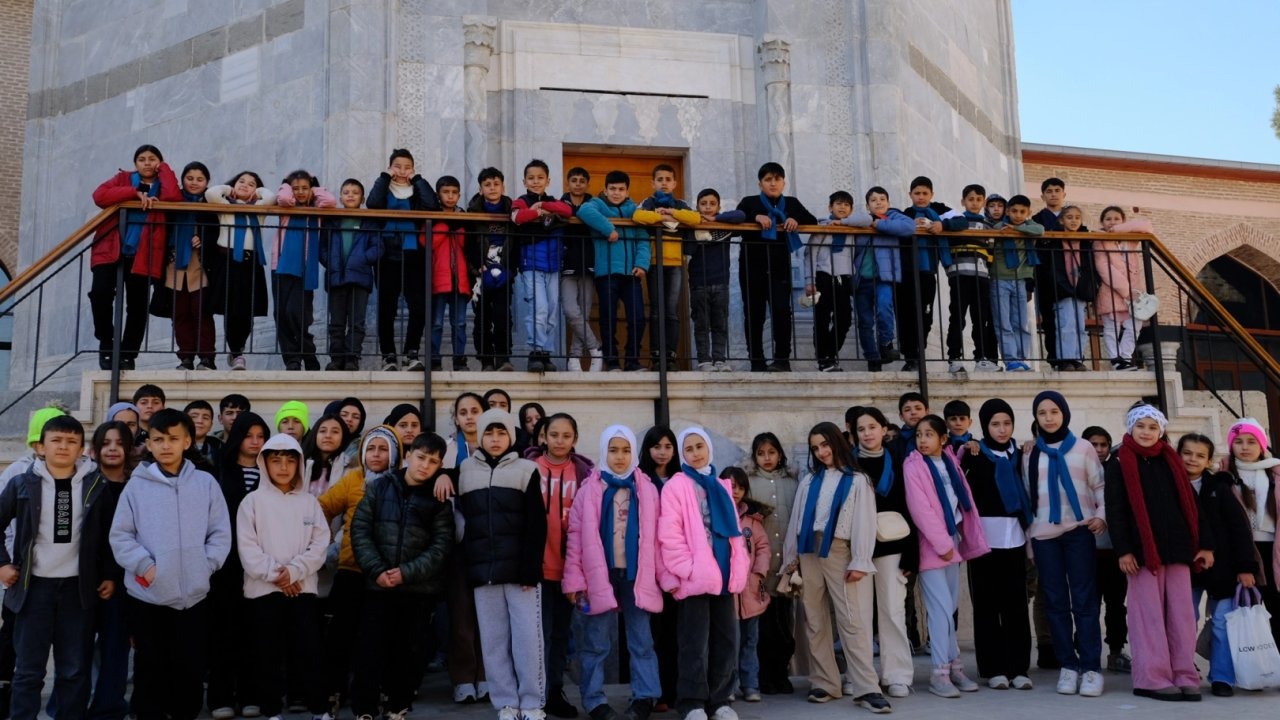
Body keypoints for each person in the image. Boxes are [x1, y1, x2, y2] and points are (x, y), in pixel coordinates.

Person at [109, 409, 232, 720]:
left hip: (194, 594)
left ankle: (184, 712)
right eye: (158, 439)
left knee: (189, 664)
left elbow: (220, 532)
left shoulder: (205, 483)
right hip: (148, 595)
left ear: (187, 441)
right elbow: (121, 536)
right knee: (150, 663)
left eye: (173, 439)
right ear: (148, 444)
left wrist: (206, 565)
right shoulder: (136, 486)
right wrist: (145, 567)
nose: (166, 445)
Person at [0, 414, 115, 720]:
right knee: (28, 670)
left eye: (71, 442)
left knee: (73, 670)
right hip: (33, 589)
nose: (63, 447)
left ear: (82, 449)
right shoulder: (22, 483)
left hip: (77, 592)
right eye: (56, 440)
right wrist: (3, 564)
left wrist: (108, 575)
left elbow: (110, 535)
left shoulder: (96, 486)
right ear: (41, 446)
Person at [1105, 405, 1210, 701]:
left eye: (1153, 427)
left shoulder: (1172, 461)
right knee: (1147, 616)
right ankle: (1151, 677)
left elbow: (1192, 504)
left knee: (1182, 616)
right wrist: (1124, 550)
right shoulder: (1119, 462)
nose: (1147, 432)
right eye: (1141, 426)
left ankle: (1183, 673)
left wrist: (1204, 543)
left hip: (1177, 549)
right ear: (1130, 429)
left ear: (1161, 431)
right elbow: (1116, 509)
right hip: (1141, 554)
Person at [780, 422, 886, 711]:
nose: (821, 452)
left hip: (839, 549)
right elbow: (797, 522)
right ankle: (825, 682)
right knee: (814, 619)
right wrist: (791, 558)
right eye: (816, 447)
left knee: (851, 620)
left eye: (825, 444)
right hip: (808, 551)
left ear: (837, 442)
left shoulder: (857, 480)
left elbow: (864, 521)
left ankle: (866, 687)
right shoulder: (808, 481)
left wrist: (861, 559)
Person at [349, 433, 455, 720]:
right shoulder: (380, 487)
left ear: (439, 466)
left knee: (409, 651)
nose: (425, 466)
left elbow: (441, 546)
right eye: (421, 457)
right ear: (408, 455)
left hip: (417, 589)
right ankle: (365, 708)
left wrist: (405, 574)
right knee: (370, 648)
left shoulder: (438, 499)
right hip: (377, 585)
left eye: (433, 462)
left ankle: (398, 706)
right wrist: (378, 570)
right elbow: (360, 530)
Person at [562, 425, 663, 720]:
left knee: (641, 640)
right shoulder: (590, 489)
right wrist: (575, 580)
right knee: (595, 642)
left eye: (626, 450)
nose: (620, 457)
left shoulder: (646, 489)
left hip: (636, 576)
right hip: (599, 576)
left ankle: (644, 697)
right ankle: (594, 700)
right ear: (604, 452)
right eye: (613, 450)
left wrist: (661, 575)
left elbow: (658, 536)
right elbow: (576, 538)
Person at [457, 410, 548, 720]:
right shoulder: (466, 470)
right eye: (489, 433)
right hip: (484, 572)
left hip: (520, 573)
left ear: (511, 435)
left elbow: (537, 524)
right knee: (493, 642)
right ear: (480, 436)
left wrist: (531, 567)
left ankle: (533, 703)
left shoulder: (526, 469)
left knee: (527, 640)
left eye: (501, 433)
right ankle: (505, 703)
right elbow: (462, 519)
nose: (495, 439)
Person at [235, 433, 331, 720]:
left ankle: (320, 709)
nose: (283, 467)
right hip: (263, 592)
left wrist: (294, 572)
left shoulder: (309, 503)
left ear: (299, 464)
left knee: (309, 652)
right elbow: (247, 548)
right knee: (267, 655)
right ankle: (272, 711)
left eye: (290, 460)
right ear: (264, 463)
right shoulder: (251, 502)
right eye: (276, 460)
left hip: (303, 590)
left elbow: (320, 544)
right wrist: (279, 575)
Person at [657, 428, 748, 720]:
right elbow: (670, 535)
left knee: (726, 640)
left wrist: (738, 566)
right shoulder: (676, 485)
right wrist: (688, 570)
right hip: (695, 578)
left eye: (699, 446)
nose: (695, 453)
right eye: (689, 449)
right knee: (694, 642)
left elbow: (734, 533)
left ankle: (720, 699)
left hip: (723, 575)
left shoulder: (721, 486)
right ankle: (692, 701)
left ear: (708, 448)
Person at [1022, 391, 1107, 697]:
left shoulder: (1083, 448)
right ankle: (1068, 667)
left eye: (1054, 411)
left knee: (1084, 602)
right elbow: (1028, 496)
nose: (1049, 417)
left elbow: (1099, 484)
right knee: (1055, 604)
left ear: (1065, 413)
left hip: (1079, 532)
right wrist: (1031, 540)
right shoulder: (1031, 453)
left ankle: (1091, 668)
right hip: (1045, 537)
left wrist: (1101, 515)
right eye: (1042, 413)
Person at [903, 415, 989, 698]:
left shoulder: (950, 460)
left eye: (929, 434)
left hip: (952, 541)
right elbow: (921, 510)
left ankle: (954, 667)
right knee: (940, 611)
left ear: (943, 439)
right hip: (933, 545)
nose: (922, 440)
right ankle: (939, 673)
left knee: (949, 608)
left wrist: (953, 542)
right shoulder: (913, 465)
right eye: (919, 435)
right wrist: (942, 544)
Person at [317, 425, 401, 709]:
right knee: (340, 635)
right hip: (351, 568)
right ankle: (333, 690)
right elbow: (322, 507)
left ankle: (370, 692)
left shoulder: (401, 482)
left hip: (384, 574)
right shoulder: (353, 479)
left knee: (376, 637)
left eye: (383, 449)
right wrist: (325, 542)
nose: (376, 455)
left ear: (395, 453)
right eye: (371, 448)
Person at [958, 399, 1034, 690]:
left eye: (1006, 423)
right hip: (983, 541)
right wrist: (968, 446)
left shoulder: (1022, 452)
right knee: (987, 605)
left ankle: (1019, 668)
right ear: (985, 426)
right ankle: (993, 668)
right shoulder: (974, 454)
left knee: (1015, 604)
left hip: (1014, 538)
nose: (1002, 430)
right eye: (995, 424)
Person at [525, 413, 594, 718]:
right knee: (536, 633)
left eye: (566, 435)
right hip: (535, 567)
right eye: (554, 434)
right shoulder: (529, 468)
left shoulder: (584, 473)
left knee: (559, 635)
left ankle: (554, 691)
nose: (560, 441)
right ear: (543, 437)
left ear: (575, 439)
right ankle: (533, 693)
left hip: (568, 569)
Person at [90, 145, 182, 370]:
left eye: (153, 159)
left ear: (159, 163)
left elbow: (173, 197)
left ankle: (128, 353)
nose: (147, 163)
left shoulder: (163, 184)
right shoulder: (123, 178)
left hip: (144, 253)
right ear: (135, 163)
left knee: (137, 305)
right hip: (111, 248)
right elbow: (99, 196)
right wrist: (134, 193)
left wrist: (166, 170)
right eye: (142, 159)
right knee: (100, 294)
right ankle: (107, 342)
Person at [1180, 432, 1257, 697]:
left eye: (1200, 455)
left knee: (1223, 623)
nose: (1192, 459)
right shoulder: (1171, 486)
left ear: (1209, 460)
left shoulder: (1220, 488)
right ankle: (1184, 670)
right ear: (1178, 455)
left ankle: (1222, 676)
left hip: (1223, 569)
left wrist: (1246, 567)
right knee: (1185, 620)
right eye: (1187, 453)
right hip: (1186, 569)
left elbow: (1239, 529)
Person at [848, 406, 916, 697]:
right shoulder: (846, 467)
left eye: (872, 427)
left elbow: (911, 507)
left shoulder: (899, 461)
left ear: (884, 429)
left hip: (892, 546)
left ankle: (897, 675)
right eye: (861, 429)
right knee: (858, 616)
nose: (867, 434)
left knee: (892, 610)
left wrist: (912, 554)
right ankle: (861, 676)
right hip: (857, 549)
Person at [209, 412, 270, 720]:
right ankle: (220, 696)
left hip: (262, 564)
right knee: (224, 631)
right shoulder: (219, 472)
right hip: (227, 565)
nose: (256, 442)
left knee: (255, 633)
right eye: (249, 436)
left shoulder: (272, 472)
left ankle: (252, 695)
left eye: (261, 436)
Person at [735, 163, 817, 372]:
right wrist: (754, 217)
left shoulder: (791, 203)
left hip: (779, 268)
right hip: (752, 267)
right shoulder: (749, 202)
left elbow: (812, 220)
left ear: (783, 182)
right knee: (754, 314)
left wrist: (793, 218)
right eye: (768, 180)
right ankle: (757, 361)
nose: (773, 183)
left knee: (782, 311)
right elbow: (736, 219)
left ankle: (782, 359)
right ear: (760, 183)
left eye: (777, 179)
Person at [437, 393, 488, 703]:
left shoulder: (497, 445)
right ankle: (463, 678)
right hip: (457, 542)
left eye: (475, 411)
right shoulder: (447, 450)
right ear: (455, 418)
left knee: (489, 615)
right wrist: (443, 472)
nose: (469, 417)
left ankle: (486, 675)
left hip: (490, 542)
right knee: (461, 614)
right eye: (463, 412)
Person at [367, 149, 439, 371]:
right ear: (390, 167)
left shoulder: (416, 190)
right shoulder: (384, 187)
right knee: (386, 308)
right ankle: (388, 355)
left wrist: (417, 179)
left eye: (407, 167)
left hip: (413, 254)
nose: (402, 171)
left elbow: (432, 205)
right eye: (397, 166)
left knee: (418, 306)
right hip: (386, 254)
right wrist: (384, 177)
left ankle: (411, 353)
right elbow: (372, 203)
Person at [577, 171, 650, 372]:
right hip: (606, 272)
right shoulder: (597, 204)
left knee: (637, 317)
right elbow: (584, 211)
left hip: (631, 273)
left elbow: (643, 238)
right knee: (607, 318)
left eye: (621, 189)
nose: (616, 193)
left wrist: (642, 263)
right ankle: (612, 362)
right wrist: (609, 229)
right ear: (605, 189)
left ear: (627, 191)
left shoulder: (634, 210)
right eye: (612, 189)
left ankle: (632, 361)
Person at [86, 421, 135, 720]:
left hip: (123, 581)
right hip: (82, 580)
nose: (113, 448)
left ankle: (109, 708)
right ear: (95, 449)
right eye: (106, 443)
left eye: (119, 443)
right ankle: (69, 706)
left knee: (116, 649)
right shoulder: (84, 484)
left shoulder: (137, 486)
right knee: (76, 651)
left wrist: (113, 576)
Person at [743, 432, 797, 694]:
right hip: (760, 569)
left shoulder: (792, 482)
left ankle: (781, 673)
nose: (767, 458)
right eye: (761, 453)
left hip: (786, 568)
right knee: (763, 625)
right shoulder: (749, 483)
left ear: (780, 454)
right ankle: (763, 676)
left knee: (784, 624)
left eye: (772, 452)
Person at [206, 171, 276, 371]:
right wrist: (229, 189)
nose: (245, 185)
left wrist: (259, 192)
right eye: (241, 181)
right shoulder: (226, 206)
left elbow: (270, 197)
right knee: (231, 308)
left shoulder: (259, 209)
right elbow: (211, 193)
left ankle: (239, 345)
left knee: (247, 311)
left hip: (250, 262)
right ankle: (237, 353)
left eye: (251, 184)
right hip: (227, 261)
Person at [634, 164, 700, 371]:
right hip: (654, 262)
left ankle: (670, 356)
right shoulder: (648, 202)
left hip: (676, 264)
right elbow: (638, 217)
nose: (664, 183)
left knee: (670, 311)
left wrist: (672, 211)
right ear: (653, 182)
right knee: (656, 310)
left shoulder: (680, 204)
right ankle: (656, 356)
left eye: (668, 179)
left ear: (675, 183)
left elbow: (696, 218)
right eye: (660, 179)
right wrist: (662, 217)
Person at [1220, 417, 1280, 644]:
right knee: (1245, 608)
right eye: (1239, 441)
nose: (1245, 447)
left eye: (1251, 441)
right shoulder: (1224, 477)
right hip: (1242, 551)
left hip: (1273, 549)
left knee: (1276, 608)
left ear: (1262, 445)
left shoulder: (1275, 474)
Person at [155, 160, 219, 370]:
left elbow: (217, 231)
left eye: (200, 179)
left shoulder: (211, 202)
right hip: (174, 262)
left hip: (200, 263)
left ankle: (207, 357)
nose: (194, 183)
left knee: (201, 311)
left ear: (207, 182)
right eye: (189, 178)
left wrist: (202, 238)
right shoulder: (173, 200)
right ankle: (186, 357)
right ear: (182, 180)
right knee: (180, 312)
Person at [511, 159, 573, 372]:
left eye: (540, 178)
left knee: (552, 311)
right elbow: (518, 217)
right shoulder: (521, 200)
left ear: (548, 180)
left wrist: (544, 205)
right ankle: (535, 352)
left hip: (553, 265)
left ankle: (546, 352)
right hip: (531, 264)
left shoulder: (554, 201)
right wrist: (537, 212)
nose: (535, 182)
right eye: (531, 178)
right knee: (539, 308)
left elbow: (567, 211)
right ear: (524, 181)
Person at [272, 170, 336, 371]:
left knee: (297, 312)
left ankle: (307, 352)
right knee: (281, 314)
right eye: (296, 188)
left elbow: (331, 201)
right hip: (280, 265)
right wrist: (285, 184)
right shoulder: (287, 208)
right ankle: (292, 359)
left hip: (305, 268)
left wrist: (314, 187)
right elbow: (283, 198)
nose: (300, 192)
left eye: (305, 188)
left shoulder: (316, 208)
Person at [803, 191, 872, 372]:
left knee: (844, 319)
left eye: (846, 205)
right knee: (822, 319)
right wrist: (810, 281)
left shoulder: (850, 227)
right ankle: (824, 359)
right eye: (838, 204)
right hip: (823, 277)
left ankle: (830, 354)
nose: (842, 207)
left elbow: (867, 220)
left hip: (844, 279)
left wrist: (842, 223)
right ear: (830, 207)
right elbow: (810, 255)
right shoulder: (822, 228)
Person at [320, 178, 383, 371]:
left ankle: (352, 357)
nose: (350, 195)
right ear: (339, 197)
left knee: (357, 322)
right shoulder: (332, 220)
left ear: (362, 198)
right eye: (346, 192)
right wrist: (331, 261)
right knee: (337, 322)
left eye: (355, 192)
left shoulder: (369, 221)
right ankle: (336, 358)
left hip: (360, 277)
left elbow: (378, 247)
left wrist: (362, 259)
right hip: (336, 277)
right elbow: (322, 247)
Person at [637, 426, 680, 709]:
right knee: (649, 634)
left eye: (668, 446)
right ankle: (652, 692)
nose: (662, 452)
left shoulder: (682, 480)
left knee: (675, 632)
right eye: (656, 446)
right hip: (648, 567)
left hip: (676, 567)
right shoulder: (639, 480)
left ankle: (673, 691)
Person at [1081, 426, 1128, 673]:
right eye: (1094, 444)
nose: (1099, 449)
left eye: (1103, 444)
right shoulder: (1077, 470)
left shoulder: (1117, 470)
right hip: (1086, 551)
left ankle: (1116, 651)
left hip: (1113, 550)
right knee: (1087, 604)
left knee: (1116, 604)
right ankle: (1086, 655)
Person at [939, 184, 1000, 374]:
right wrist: (949, 267)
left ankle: (981, 357)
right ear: (963, 201)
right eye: (970, 199)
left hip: (981, 277)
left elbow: (990, 252)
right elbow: (945, 245)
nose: (974, 203)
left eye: (978, 200)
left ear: (983, 203)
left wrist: (986, 270)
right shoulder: (957, 222)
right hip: (959, 276)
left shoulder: (988, 226)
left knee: (980, 318)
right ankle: (954, 358)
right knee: (957, 317)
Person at [722, 468, 770, 704]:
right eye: (731, 486)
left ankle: (750, 684)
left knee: (750, 641)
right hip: (729, 593)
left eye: (740, 486)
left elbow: (762, 547)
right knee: (730, 643)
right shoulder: (717, 515)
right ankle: (728, 686)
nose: (736, 491)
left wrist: (758, 571)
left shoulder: (753, 521)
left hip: (751, 592)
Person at [852, 188, 914, 371]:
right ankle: (872, 358)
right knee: (865, 320)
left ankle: (886, 343)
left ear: (888, 202)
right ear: (867, 205)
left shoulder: (892, 217)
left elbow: (909, 227)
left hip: (883, 277)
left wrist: (878, 225)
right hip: (861, 278)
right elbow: (843, 222)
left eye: (882, 199)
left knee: (884, 307)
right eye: (873, 200)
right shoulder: (862, 220)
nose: (878, 202)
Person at [896, 177, 952, 373]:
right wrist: (911, 224)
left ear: (931, 195)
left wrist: (941, 225)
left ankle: (920, 352)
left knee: (925, 315)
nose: (921, 197)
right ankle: (910, 356)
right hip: (906, 272)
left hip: (927, 272)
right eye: (917, 193)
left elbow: (961, 219)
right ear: (910, 195)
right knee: (906, 315)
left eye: (924, 193)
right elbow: (893, 225)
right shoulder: (905, 214)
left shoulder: (940, 210)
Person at [687, 189, 743, 371]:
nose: (708, 207)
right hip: (698, 283)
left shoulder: (724, 225)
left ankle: (720, 359)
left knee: (720, 323)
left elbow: (740, 215)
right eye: (703, 204)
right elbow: (687, 249)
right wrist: (697, 225)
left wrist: (715, 220)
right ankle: (704, 360)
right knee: (701, 323)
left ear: (719, 207)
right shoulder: (691, 226)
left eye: (712, 204)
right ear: (697, 206)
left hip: (721, 283)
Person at [467, 167, 517, 372]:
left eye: (496, 184)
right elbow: (467, 243)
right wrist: (474, 266)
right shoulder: (473, 213)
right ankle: (486, 360)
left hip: (504, 272)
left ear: (503, 187)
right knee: (482, 318)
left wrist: (511, 268)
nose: (492, 188)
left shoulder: (513, 211)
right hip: (481, 273)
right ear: (480, 189)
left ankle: (503, 358)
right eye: (487, 185)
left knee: (503, 315)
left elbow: (517, 243)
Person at [1034, 202, 1092, 372]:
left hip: (1079, 289)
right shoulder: (1054, 240)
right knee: (1066, 325)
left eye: (1077, 217)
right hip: (1063, 289)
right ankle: (1065, 359)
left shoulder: (1085, 240)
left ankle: (1077, 357)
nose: (1073, 221)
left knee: (1080, 327)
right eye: (1069, 217)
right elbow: (1053, 267)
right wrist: (1062, 285)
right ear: (1061, 221)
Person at [1095, 207, 1154, 371]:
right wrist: (1127, 292)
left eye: (1116, 219)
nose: (1112, 222)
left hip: (1135, 292)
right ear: (1102, 222)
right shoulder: (1099, 240)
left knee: (1135, 325)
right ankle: (1115, 359)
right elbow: (1104, 268)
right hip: (1111, 291)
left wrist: (1118, 230)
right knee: (1111, 327)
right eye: (1108, 219)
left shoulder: (1129, 239)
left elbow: (1147, 226)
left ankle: (1126, 357)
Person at [988, 194, 1041, 371]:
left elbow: (1040, 230)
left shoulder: (1029, 226)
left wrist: (1018, 230)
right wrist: (1011, 230)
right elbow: (996, 231)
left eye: (1022, 212)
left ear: (1028, 213)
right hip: (1000, 279)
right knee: (1004, 321)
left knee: (1021, 322)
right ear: (1008, 211)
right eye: (1014, 211)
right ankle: (1010, 360)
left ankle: (1021, 358)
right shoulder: (999, 227)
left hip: (1020, 281)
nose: (1018, 215)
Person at [559, 167, 603, 372]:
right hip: (566, 263)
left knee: (584, 312)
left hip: (589, 263)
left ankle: (574, 358)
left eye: (582, 180)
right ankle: (595, 348)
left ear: (587, 184)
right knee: (570, 309)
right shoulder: (559, 204)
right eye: (574, 180)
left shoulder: (594, 205)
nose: (578, 183)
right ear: (568, 183)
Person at [428, 175, 471, 371]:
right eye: (446, 192)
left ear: (459, 195)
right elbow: (427, 243)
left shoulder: (465, 218)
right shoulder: (433, 217)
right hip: (439, 277)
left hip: (460, 278)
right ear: (438, 195)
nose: (450, 196)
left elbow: (467, 247)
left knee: (460, 322)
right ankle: (434, 358)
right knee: (436, 322)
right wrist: (446, 225)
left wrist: (458, 226)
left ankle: (459, 359)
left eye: (454, 193)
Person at [185, 400, 223, 474]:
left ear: (211, 425)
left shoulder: (219, 447)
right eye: (194, 416)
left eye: (205, 418)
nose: (199, 421)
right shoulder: (175, 446)